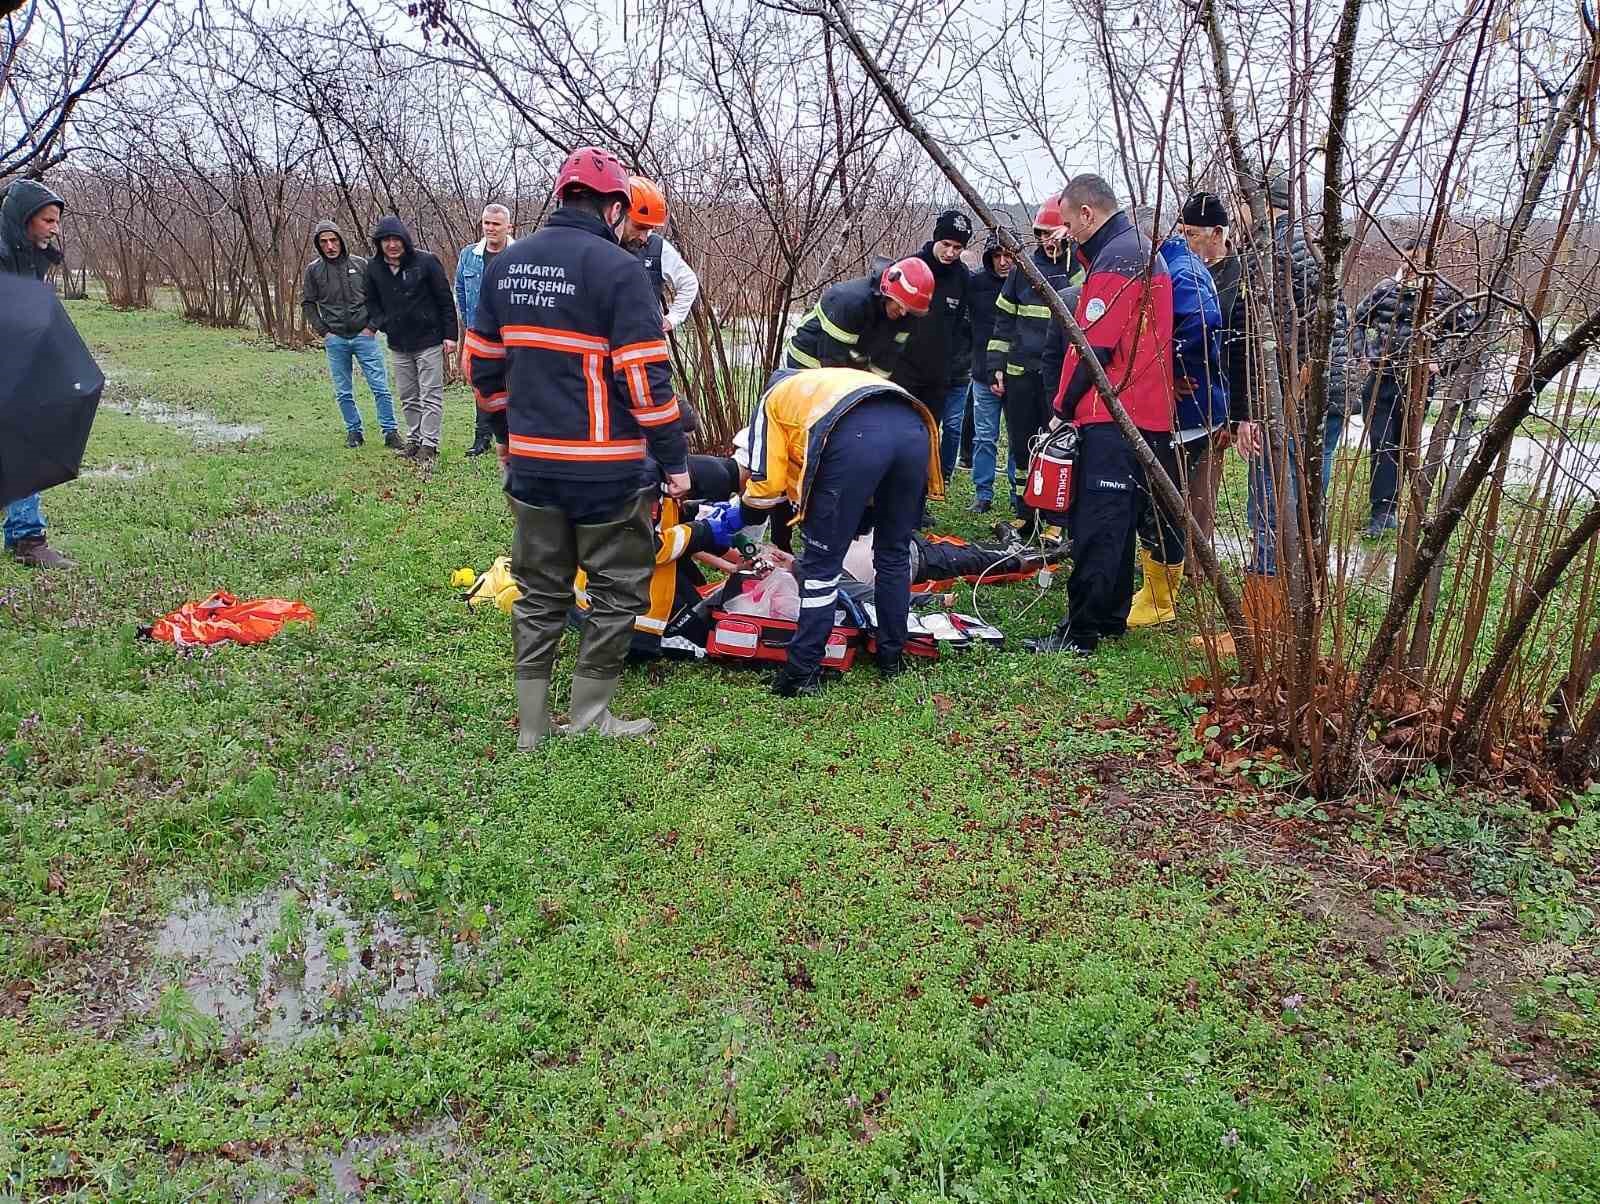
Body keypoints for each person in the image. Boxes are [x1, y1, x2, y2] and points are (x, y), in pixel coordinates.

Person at [466, 145, 690, 749]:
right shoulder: (619, 272)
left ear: (562, 196)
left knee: (540, 591)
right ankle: (590, 716)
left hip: (533, 465)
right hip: (605, 473)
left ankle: (533, 727)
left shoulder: (505, 266)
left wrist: (509, 439)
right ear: (614, 208)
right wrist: (673, 460)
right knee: (617, 589)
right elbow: (645, 381)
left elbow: (482, 368)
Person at [1026, 174, 1174, 655]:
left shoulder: (1118, 259)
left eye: (1068, 223)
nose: (1066, 235)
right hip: (1142, 412)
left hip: (1114, 411)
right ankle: (1109, 615)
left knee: (1096, 523)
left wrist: (1060, 409)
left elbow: (1094, 347)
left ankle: (1080, 631)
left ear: (1087, 214)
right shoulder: (1138, 249)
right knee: (1120, 521)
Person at [736, 367, 942, 696]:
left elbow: (767, 483)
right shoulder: (827, 383)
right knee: (893, 554)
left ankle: (802, 673)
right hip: (915, 427)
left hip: (855, 437)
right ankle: (892, 657)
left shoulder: (773, 400)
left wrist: (741, 516)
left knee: (821, 568)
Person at [1121, 217, 1229, 625]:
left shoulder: (1179, 269)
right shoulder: (1169, 263)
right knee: (1157, 499)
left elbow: (1200, 323)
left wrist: (1168, 369)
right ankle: (1154, 587)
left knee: (1163, 503)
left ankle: (1161, 601)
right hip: (1176, 413)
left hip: (1186, 415)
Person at [1351, 240, 1473, 538]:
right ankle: (1382, 512)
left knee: (1406, 442)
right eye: (1406, 259)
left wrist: (1441, 363)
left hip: (1419, 382)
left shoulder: (1444, 295)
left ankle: (1403, 509)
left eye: (1416, 260)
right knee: (1382, 443)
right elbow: (1356, 321)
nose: (1409, 266)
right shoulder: (1384, 290)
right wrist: (1365, 354)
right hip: (1382, 379)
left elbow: (1472, 329)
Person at [987, 196, 1081, 540]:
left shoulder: (1077, 270)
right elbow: (1003, 321)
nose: (1046, 241)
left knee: (1057, 446)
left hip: (1057, 377)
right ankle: (1026, 513)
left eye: (1051, 233)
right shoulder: (1023, 269)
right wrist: (996, 365)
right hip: (1019, 372)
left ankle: (1058, 520)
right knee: (1023, 444)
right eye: (1040, 234)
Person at [0, 178, 71, 568]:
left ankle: (27, 538)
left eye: (55, 220)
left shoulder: (30, 256)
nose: (54, 227)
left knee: (22, 444)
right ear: (25, 218)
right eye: (47, 220)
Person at [364, 215, 458, 462]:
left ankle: (430, 444)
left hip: (429, 339)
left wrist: (451, 335)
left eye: (396, 239)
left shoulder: (426, 262)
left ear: (405, 240)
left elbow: (445, 300)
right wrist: (384, 324)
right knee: (407, 395)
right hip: (398, 343)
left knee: (431, 394)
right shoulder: (373, 268)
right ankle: (414, 440)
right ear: (379, 243)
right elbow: (371, 303)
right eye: (386, 240)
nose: (392, 245)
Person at [890, 209, 973, 488]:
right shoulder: (911, 266)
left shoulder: (963, 278)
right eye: (946, 244)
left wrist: (950, 368)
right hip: (902, 371)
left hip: (937, 377)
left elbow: (960, 327)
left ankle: (917, 500)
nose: (950, 252)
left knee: (927, 438)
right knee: (897, 433)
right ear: (935, 239)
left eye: (958, 247)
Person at [303, 221, 399, 451]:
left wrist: (372, 326)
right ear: (318, 245)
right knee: (343, 391)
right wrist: (323, 331)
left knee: (381, 387)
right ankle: (354, 431)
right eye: (324, 242)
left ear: (341, 240)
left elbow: (381, 298)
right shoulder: (313, 270)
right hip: (335, 338)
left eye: (333, 240)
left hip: (364, 335)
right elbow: (308, 303)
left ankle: (390, 431)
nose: (329, 246)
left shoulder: (361, 265)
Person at [782, 257, 934, 377]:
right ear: (887, 293)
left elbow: (886, 360)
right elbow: (832, 360)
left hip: (846, 366)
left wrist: (874, 391)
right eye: (899, 305)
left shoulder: (908, 317)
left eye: (908, 310)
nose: (903, 313)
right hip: (808, 360)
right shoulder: (851, 302)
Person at [964, 226, 1017, 513]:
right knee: (984, 437)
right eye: (997, 255)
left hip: (1017, 375)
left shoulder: (1026, 284)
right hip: (983, 374)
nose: (1003, 261)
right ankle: (983, 494)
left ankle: (1015, 493)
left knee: (1018, 439)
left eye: (1008, 254)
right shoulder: (976, 284)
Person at [455, 203, 514, 457]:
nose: (490, 228)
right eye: (486, 223)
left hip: (511, 333)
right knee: (481, 383)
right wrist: (470, 323)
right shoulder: (469, 255)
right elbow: (459, 288)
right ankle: (482, 438)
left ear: (508, 227)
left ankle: (512, 437)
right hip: (478, 332)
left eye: (496, 224)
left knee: (513, 384)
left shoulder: (519, 254)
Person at [615, 176, 700, 334]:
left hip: (642, 345)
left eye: (648, 229)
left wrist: (672, 318)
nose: (643, 237)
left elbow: (689, 282)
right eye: (639, 227)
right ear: (618, 213)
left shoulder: (658, 248)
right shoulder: (599, 245)